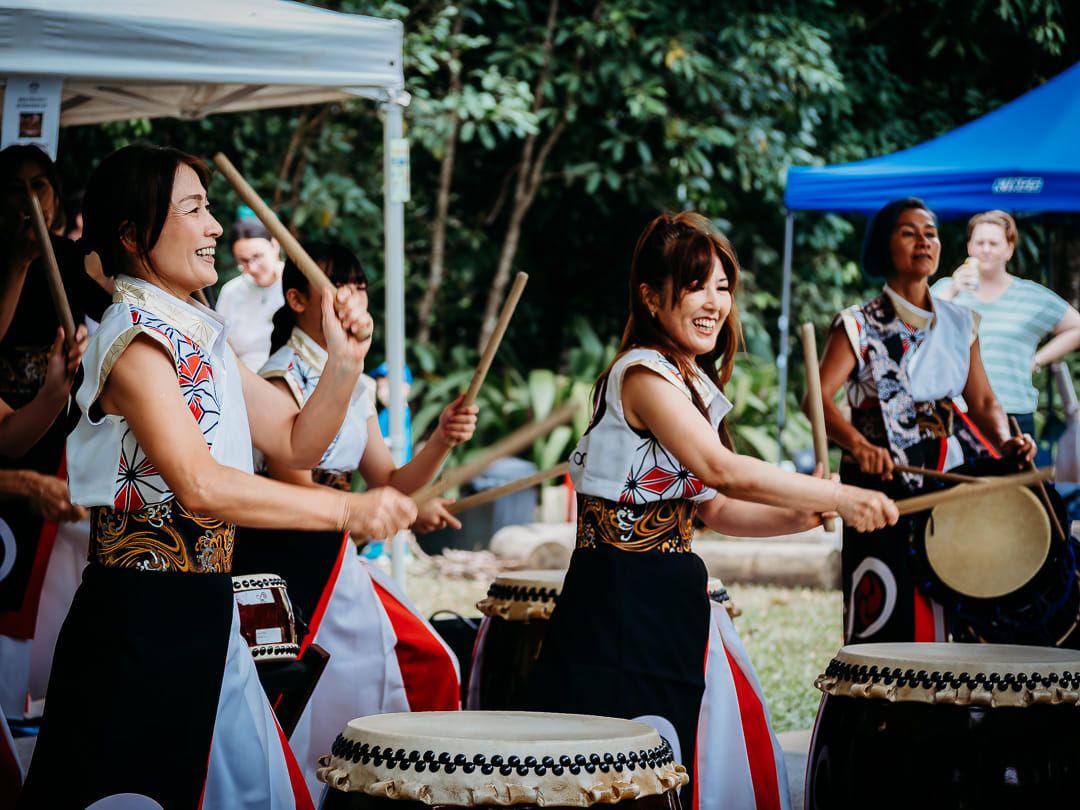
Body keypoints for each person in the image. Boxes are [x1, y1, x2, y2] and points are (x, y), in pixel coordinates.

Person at [19, 144, 417, 809]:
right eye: (195, 209)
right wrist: (346, 511)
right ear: (132, 233)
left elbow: (293, 436)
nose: (213, 229)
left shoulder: (199, 332)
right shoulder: (133, 339)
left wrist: (346, 366)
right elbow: (199, 484)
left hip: (204, 608)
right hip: (139, 620)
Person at [527, 211, 898, 806]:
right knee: (610, 764)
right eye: (696, 285)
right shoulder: (641, 374)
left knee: (669, 756)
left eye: (723, 286)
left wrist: (799, 516)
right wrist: (837, 494)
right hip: (617, 596)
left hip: (670, 594)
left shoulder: (690, 380)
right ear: (651, 298)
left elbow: (717, 508)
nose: (714, 302)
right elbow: (721, 469)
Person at [232, 243, 475, 802]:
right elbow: (297, 492)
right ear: (296, 299)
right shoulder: (280, 378)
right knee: (332, 699)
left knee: (419, 667)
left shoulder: (357, 384)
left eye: (361, 287)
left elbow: (386, 479)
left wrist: (440, 438)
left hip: (337, 553)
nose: (354, 299)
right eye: (337, 286)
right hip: (298, 569)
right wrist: (364, 515)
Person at [811, 197, 1035, 646]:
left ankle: (950, 714)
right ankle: (879, 715)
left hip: (945, 476)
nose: (923, 241)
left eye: (930, 232)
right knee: (886, 605)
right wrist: (859, 446)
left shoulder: (959, 321)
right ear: (884, 246)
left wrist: (1008, 441)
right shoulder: (857, 324)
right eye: (908, 232)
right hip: (880, 481)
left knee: (958, 598)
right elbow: (816, 399)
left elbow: (984, 399)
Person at [0, 144, 109, 721]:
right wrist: (17, 263)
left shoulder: (70, 259)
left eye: (38, 186)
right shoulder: (2, 259)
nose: (27, 200)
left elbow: (120, 308)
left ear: (55, 194)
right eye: (14, 188)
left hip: (56, 446)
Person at [932, 209, 1080, 438]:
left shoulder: (1031, 295)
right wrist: (953, 289)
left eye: (994, 243)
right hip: (957, 413)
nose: (986, 250)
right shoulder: (946, 289)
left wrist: (1037, 360)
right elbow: (920, 330)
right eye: (979, 242)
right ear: (969, 247)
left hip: (1014, 412)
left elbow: (1077, 327)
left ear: (1009, 249)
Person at [216, 218, 286, 371]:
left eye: (257, 256)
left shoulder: (296, 286)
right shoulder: (231, 292)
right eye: (244, 261)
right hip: (246, 381)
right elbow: (223, 349)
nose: (252, 268)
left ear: (274, 245)